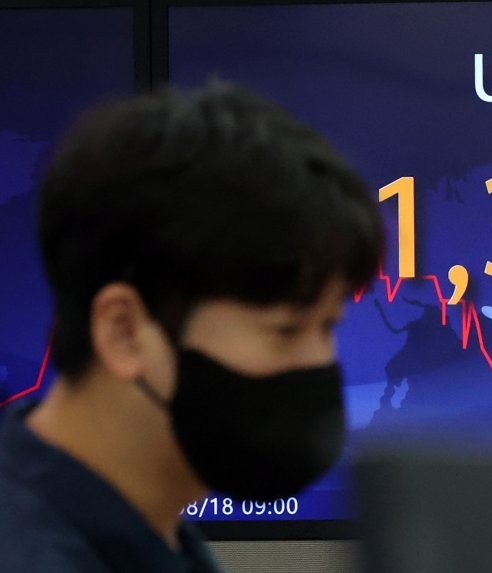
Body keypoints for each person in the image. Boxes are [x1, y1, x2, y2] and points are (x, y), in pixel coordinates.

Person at [0, 82, 383, 571]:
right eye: (285, 331)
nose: (319, 363)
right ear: (123, 332)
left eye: (328, 328)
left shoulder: (158, 541)